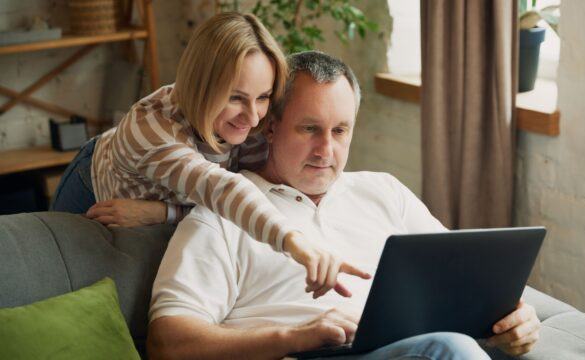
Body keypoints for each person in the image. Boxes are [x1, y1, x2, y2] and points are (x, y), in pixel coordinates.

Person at [147, 51, 541, 359]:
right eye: (310, 129)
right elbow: (167, 343)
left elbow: (465, 281)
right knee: (448, 351)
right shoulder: (224, 214)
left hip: (410, 348)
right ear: (270, 125)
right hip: (308, 355)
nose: (326, 150)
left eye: (339, 131)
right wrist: (297, 337)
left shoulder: (383, 191)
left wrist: (514, 317)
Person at [49, 13, 368, 299]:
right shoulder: (151, 131)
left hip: (171, 202)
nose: (254, 117)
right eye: (236, 98)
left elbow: (234, 195)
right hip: (102, 186)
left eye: (264, 97)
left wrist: (162, 213)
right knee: (61, 283)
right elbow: (222, 190)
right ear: (201, 85)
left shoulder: (255, 123)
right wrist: (295, 243)